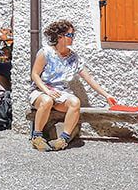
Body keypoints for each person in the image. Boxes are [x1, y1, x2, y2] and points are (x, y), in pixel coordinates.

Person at [29, 19, 117, 152]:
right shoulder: (45, 52)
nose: (72, 38)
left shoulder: (73, 58)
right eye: (70, 35)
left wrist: (106, 95)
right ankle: (37, 138)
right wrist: (47, 91)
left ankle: (63, 139)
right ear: (60, 37)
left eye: (72, 35)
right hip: (41, 91)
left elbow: (89, 79)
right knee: (47, 101)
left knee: (75, 102)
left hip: (60, 93)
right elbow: (35, 75)